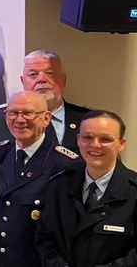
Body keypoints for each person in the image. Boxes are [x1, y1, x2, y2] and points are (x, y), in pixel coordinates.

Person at [0, 91, 81, 267]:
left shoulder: (66, 165)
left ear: (46, 119)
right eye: (13, 113)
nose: (19, 120)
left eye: (28, 113)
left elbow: (67, 229)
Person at [35, 110, 137, 267]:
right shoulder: (59, 186)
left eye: (105, 139)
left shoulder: (134, 192)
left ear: (121, 144)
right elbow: (45, 240)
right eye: (87, 137)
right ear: (78, 140)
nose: (95, 145)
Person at [0, 50, 92, 151]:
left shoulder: (88, 120)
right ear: (23, 82)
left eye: (50, 73)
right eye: (33, 74)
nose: (41, 79)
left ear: (63, 79)